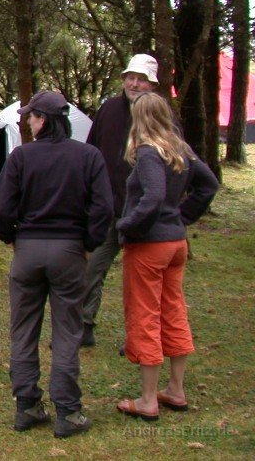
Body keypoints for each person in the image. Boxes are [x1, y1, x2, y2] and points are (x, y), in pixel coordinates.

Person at [0, 91, 113, 438]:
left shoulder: (21, 157)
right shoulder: (88, 156)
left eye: (31, 117)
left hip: (28, 251)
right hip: (70, 252)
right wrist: (88, 244)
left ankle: (27, 405)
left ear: (43, 120)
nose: (28, 123)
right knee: (67, 331)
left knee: (23, 330)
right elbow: (104, 208)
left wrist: (11, 238)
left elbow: (3, 208)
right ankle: (68, 411)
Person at [115, 93, 218, 422]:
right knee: (173, 310)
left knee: (144, 314)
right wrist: (180, 218)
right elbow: (208, 185)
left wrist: (128, 226)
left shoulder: (148, 151)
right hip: (175, 243)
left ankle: (148, 400)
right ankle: (175, 389)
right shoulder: (179, 148)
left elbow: (154, 196)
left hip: (150, 245)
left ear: (139, 117)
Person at [80, 53, 159, 347]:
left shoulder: (160, 115)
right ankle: (83, 327)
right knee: (90, 269)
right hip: (107, 207)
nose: (134, 84)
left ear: (152, 85)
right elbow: (91, 151)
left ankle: (139, 338)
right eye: (130, 78)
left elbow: (177, 163)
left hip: (142, 213)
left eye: (141, 80)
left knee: (139, 279)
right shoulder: (109, 109)